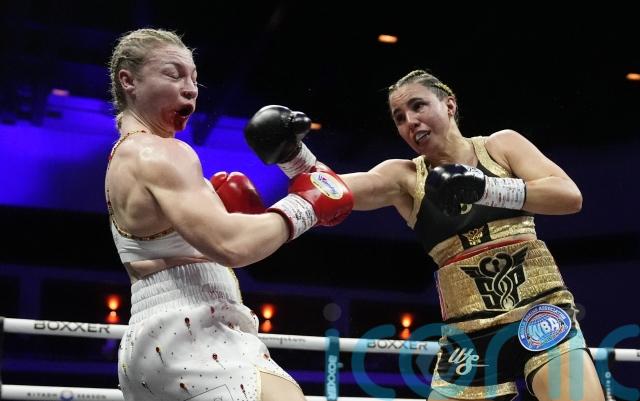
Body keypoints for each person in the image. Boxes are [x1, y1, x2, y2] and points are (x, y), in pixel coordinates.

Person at [243, 71, 605, 401]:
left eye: (418, 106)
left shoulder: (500, 146)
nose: (410, 121)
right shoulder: (404, 178)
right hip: (468, 336)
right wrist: (293, 156)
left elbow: (568, 196)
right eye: (399, 118)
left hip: (539, 312)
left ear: (449, 105)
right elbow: (333, 191)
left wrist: (484, 188)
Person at [106, 28, 353, 401]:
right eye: (174, 75)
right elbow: (231, 245)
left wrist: (298, 177)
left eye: (194, 79)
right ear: (129, 81)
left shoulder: (125, 157)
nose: (190, 89)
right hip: (192, 332)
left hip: (153, 341)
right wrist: (305, 205)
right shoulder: (161, 152)